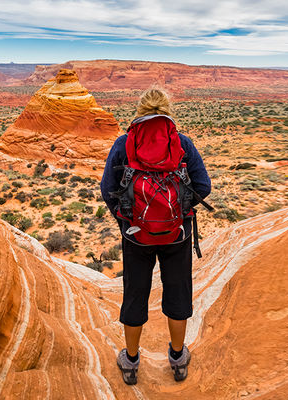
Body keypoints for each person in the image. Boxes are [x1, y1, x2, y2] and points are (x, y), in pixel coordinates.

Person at [100, 87, 211, 385]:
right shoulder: (182, 143)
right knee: (178, 293)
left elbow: (106, 189)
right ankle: (177, 358)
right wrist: (181, 213)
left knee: (135, 294)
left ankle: (131, 361)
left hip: (136, 237)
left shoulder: (124, 144)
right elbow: (203, 185)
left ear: (139, 110)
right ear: (167, 110)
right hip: (177, 235)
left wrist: (127, 220)